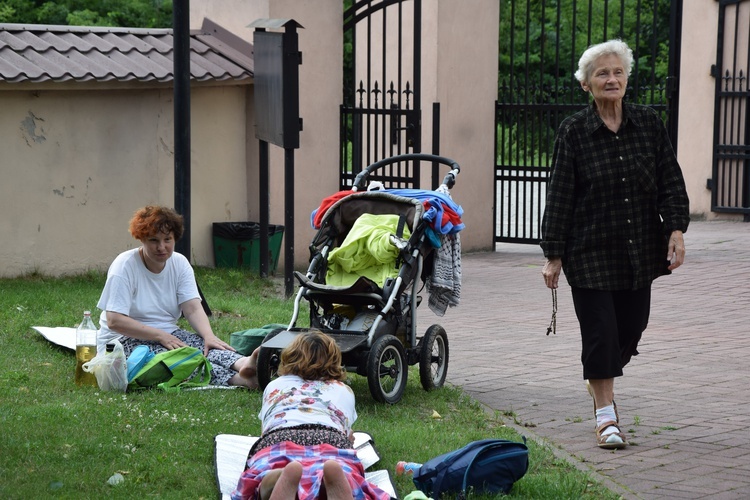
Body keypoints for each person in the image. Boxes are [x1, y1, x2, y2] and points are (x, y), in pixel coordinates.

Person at [540, 40, 690, 449]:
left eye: (618, 72)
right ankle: (606, 417)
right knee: (602, 333)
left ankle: (599, 376)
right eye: (602, 74)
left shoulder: (648, 124)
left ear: (627, 78)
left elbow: (669, 181)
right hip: (588, 250)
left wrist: (675, 229)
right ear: (586, 84)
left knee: (632, 326)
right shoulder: (574, 130)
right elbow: (561, 193)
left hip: (638, 248)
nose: (612, 79)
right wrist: (554, 254)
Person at [97, 205, 258, 388]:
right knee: (173, 360)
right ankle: (239, 380)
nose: (161, 247)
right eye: (153, 240)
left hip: (168, 332)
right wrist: (160, 336)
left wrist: (208, 336)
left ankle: (245, 364)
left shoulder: (180, 263)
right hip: (121, 340)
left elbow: (193, 308)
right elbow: (115, 321)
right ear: (141, 239)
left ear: (175, 238)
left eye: (167, 239)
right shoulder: (124, 266)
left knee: (203, 346)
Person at [232, 330, 389, 500]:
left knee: (263, 471)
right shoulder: (344, 390)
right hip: (331, 440)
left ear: (289, 356)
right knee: (347, 474)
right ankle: (330, 481)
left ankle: (273, 479)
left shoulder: (275, 385)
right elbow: (347, 434)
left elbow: (265, 431)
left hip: (279, 439)